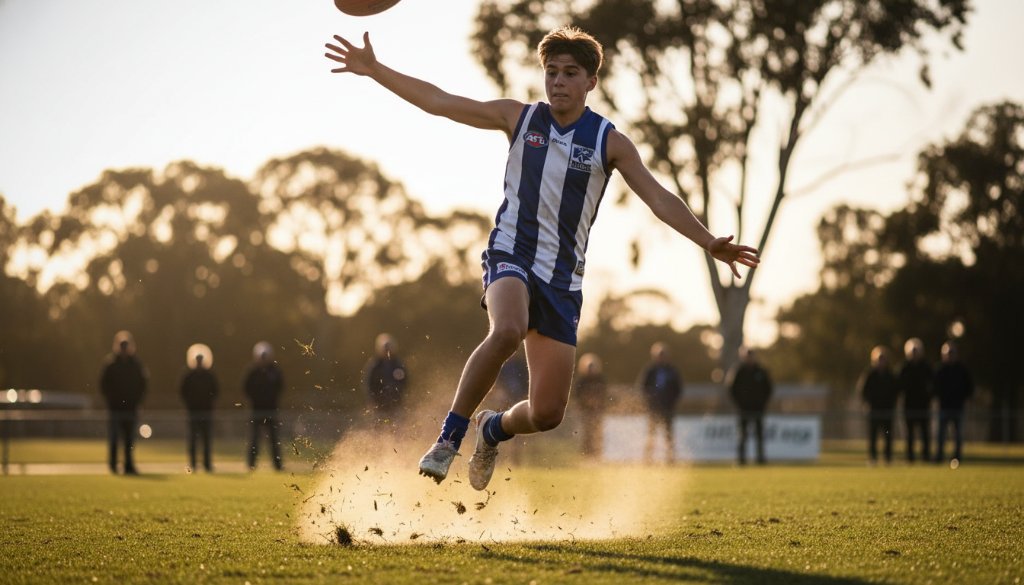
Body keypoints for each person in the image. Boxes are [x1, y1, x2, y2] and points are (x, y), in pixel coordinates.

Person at [324, 25, 759, 490]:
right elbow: (442, 101)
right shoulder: (521, 118)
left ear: (591, 81)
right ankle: (449, 438)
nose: (557, 81)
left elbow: (658, 198)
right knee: (507, 329)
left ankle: (491, 428)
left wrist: (708, 240)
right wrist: (375, 70)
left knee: (548, 413)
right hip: (510, 254)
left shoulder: (609, 142)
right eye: (551, 72)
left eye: (570, 73)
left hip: (562, 284)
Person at [99, 330, 147, 475]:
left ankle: (129, 465)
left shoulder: (136, 365)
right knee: (114, 438)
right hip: (115, 408)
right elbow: (104, 385)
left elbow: (143, 385)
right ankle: (113, 465)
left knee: (129, 440)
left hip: (131, 408)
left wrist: (136, 401)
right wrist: (111, 400)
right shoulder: (110, 364)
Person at [726, 346, 773, 465]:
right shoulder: (738, 371)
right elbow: (731, 389)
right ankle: (741, 460)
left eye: (751, 356)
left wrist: (763, 403)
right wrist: (738, 404)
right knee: (742, 436)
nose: (749, 358)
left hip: (758, 409)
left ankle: (760, 459)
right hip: (743, 409)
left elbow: (769, 389)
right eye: (747, 356)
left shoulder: (761, 371)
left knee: (759, 436)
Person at [638, 342, 683, 463]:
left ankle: (670, 459)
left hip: (668, 407)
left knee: (668, 435)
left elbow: (678, 389)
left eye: (663, 354)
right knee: (651, 436)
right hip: (653, 408)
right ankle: (648, 458)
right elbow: (643, 387)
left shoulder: (672, 371)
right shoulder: (650, 370)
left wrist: (672, 402)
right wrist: (649, 402)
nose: (661, 356)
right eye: (659, 354)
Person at [244, 341, 284, 471]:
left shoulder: (275, 371)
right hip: (256, 411)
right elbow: (246, 388)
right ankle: (251, 465)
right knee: (254, 440)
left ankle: (277, 466)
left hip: (271, 411)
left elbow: (280, 387)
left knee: (274, 440)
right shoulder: (253, 371)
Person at [858, 345, 899, 465]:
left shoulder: (890, 375)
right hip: (874, 411)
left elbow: (896, 391)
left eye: (883, 358)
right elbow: (863, 391)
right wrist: (868, 403)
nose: (881, 361)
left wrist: (892, 404)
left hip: (887, 411)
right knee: (873, 436)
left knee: (887, 436)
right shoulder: (870, 375)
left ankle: (888, 458)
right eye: (879, 358)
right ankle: (873, 458)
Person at [180, 343, 218, 473]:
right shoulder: (189, 376)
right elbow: (183, 392)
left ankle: (207, 464)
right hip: (193, 412)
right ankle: (193, 464)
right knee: (193, 440)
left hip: (206, 412)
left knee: (206, 440)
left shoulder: (209, 376)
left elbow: (215, 391)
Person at [934, 341, 973, 464]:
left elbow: (969, 387)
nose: (950, 356)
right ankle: (939, 456)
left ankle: (957, 457)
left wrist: (964, 399)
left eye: (952, 353)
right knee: (941, 435)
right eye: (948, 353)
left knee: (958, 435)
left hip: (958, 407)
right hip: (944, 407)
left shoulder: (962, 370)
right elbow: (935, 388)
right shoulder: (940, 370)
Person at [899, 337, 933, 463]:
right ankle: (910, 458)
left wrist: (929, 396)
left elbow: (933, 385)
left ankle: (926, 457)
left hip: (924, 405)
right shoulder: (904, 368)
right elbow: (899, 386)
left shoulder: (926, 367)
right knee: (910, 435)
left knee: (925, 433)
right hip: (909, 406)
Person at [363, 333, 408, 428]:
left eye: (389, 348)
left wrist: (399, 395)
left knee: (397, 429)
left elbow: (405, 382)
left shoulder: (398, 365)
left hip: (396, 404)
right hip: (379, 405)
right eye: (385, 348)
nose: (387, 351)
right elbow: (369, 385)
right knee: (379, 429)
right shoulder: (375, 366)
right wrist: (373, 399)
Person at [494, 347, 529, 464]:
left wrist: (525, 395)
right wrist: (500, 392)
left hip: (518, 400)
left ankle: (515, 457)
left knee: (517, 428)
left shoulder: (521, 364)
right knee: (498, 426)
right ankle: (498, 456)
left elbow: (526, 381)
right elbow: (496, 381)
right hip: (504, 399)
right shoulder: (502, 364)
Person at [574, 353, 608, 459]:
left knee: (597, 433)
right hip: (585, 411)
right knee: (586, 433)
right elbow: (577, 396)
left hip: (598, 411)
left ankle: (597, 454)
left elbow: (604, 394)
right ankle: (586, 455)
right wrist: (586, 402)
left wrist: (598, 402)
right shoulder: (581, 381)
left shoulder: (600, 379)